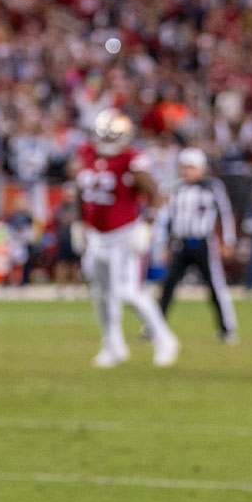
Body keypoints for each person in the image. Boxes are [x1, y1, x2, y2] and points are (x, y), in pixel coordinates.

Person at [72, 108, 179, 368]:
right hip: (96, 236)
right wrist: (78, 223)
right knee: (100, 293)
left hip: (124, 234)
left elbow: (155, 194)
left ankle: (164, 339)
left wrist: (148, 225)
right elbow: (80, 190)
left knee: (127, 292)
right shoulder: (86, 152)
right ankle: (112, 344)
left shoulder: (132, 158)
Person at [156, 148, 239, 343]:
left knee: (215, 286)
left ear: (201, 168)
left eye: (191, 168)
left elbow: (225, 214)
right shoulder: (175, 188)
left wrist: (228, 240)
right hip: (180, 242)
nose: (187, 172)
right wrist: (164, 244)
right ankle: (155, 327)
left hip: (203, 242)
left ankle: (227, 328)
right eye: (184, 168)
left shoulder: (212, 187)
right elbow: (167, 218)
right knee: (168, 286)